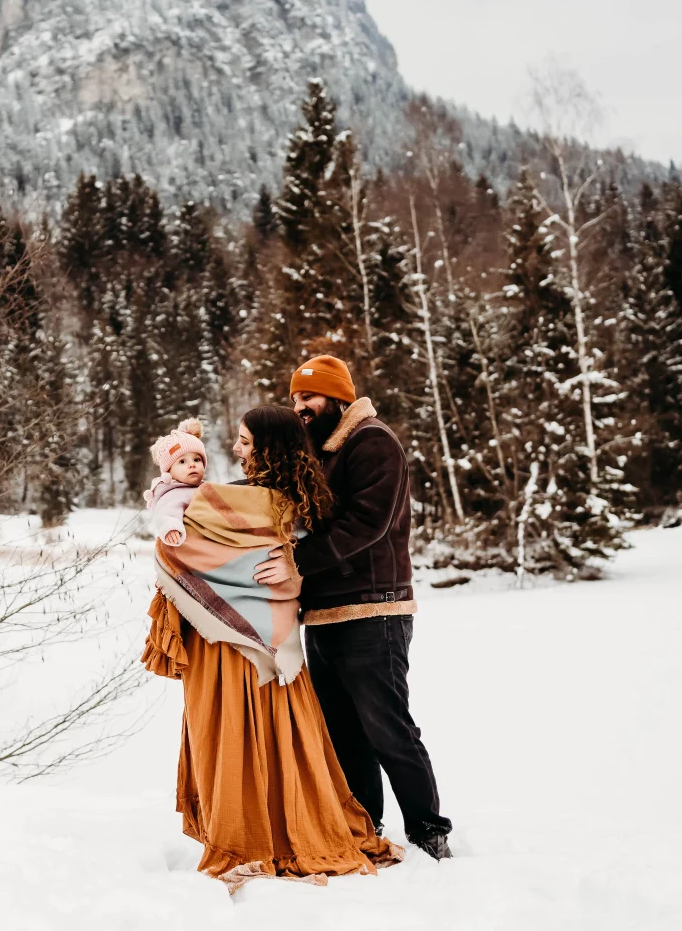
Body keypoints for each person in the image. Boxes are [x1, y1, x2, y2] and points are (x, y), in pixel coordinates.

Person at [141, 405, 402, 891]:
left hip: (224, 642)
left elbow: (175, 547)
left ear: (265, 447)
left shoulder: (224, 500)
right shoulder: (290, 502)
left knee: (231, 730)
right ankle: (287, 820)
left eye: (243, 441)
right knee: (282, 731)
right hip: (276, 639)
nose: (235, 449)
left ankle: (248, 834)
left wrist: (174, 517)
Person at [254, 354, 455, 860]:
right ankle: (366, 828)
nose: (300, 407)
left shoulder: (372, 442)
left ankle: (429, 830)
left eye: (309, 397)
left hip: (374, 608)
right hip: (323, 614)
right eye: (295, 398)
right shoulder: (318, 452)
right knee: (343, 732)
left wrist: (297, 561)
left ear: (337, 397)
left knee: (386, 725)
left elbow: (368, 523)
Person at [142, 417, 208, 546]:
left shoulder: (206, 488)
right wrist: (171, 528)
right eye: (182, 462)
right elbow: (166, 513)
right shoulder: (173, 494)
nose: (192, 465)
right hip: (190, 550)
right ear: (169, 471)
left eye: (197, 460)